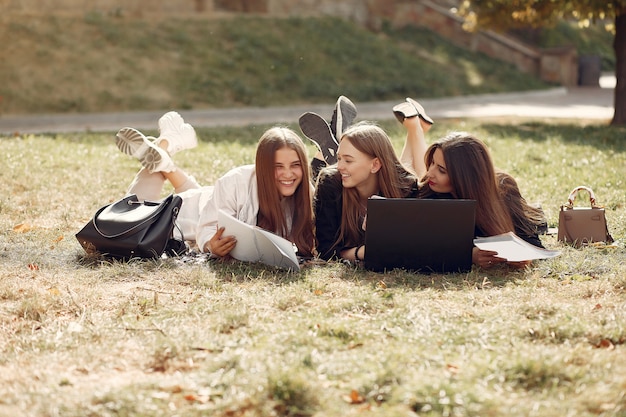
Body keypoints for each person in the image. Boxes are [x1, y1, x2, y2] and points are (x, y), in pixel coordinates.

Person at [116, 111, 315, 259]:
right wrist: (212, 245)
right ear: (262, 167)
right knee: (123, 220)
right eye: (278, 166)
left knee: (198, 194)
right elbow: (207, 229)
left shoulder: (305, 194)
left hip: (208, 200)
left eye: (295, 165)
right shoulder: (235, 180)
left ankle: (165, 150)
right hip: (187, 213)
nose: (288, 174)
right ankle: (164, 149)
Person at [416, 130, 546, 268]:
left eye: (441, 170)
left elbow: (532, 242)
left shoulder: (504, 189)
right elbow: (420, 248)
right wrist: (469, 256)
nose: (429, 173)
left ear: (465, 177)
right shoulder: (428, 193)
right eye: (432, 163)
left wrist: (524, 256)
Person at [313, 121, 422, 261]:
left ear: (375, 164)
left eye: (348, 160)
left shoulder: (406, 187)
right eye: (339, 158)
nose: (339, 166)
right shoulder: (330, 184)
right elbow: (325, 250)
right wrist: (363, 252)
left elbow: (412, 245)